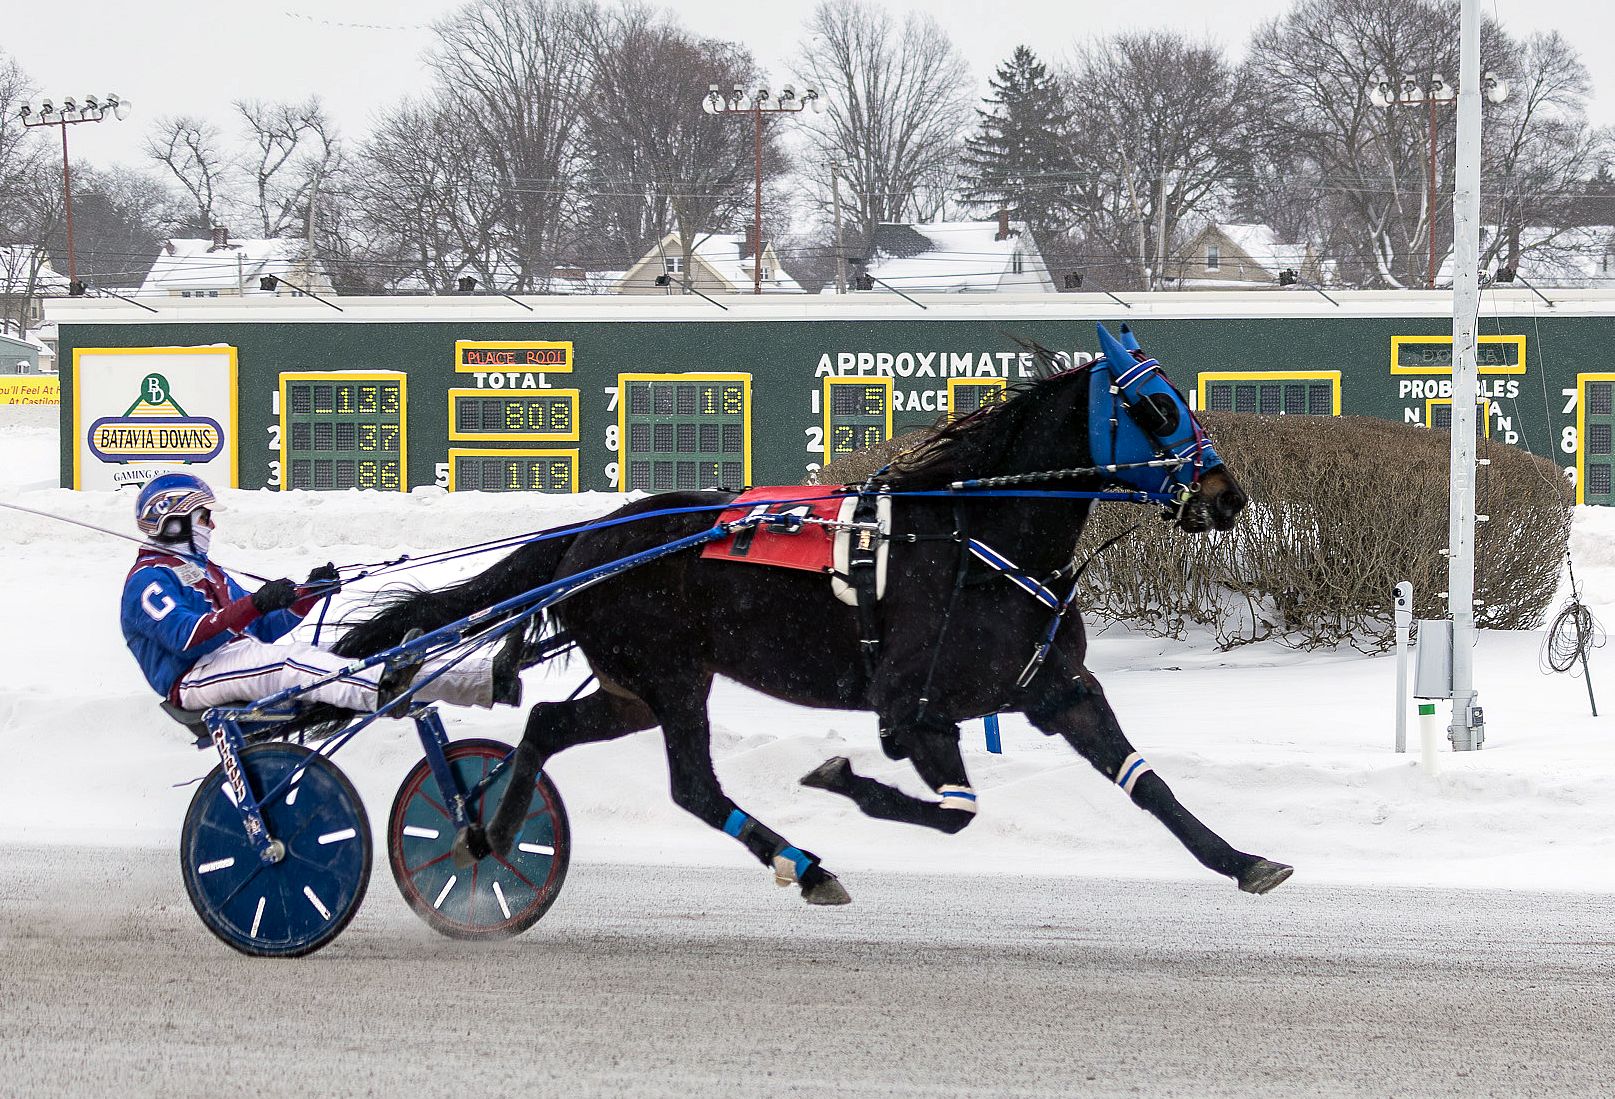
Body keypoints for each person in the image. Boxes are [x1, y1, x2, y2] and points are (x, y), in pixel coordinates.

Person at [120, 471, 521, 722]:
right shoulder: (148, 579)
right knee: (294, 661)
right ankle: (379, 690)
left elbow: (261, 625)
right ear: (173, 522)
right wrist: (255, 602)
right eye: (204, 516)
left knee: (357, 650)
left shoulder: (210, 571)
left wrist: (306, 594)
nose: (212, 524)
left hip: (232, 660)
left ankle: (486, 681)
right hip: (193, 679)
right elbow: (185, 637)